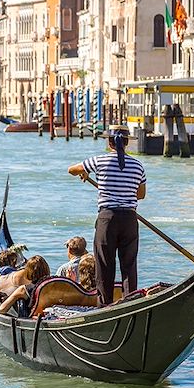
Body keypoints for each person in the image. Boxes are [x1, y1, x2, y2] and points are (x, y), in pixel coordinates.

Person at [68, 124, 146, 305]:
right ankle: (130, 303)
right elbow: (140, 195)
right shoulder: (138, 165)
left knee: (104, 265)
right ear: (126, 143)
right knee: (129, 266)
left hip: (107, 219)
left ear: (109, 142)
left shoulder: (99, 161)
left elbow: (71, 169)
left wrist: (85, 172)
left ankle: (104, 305)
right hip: (129, 219)